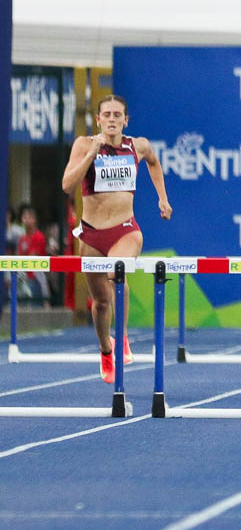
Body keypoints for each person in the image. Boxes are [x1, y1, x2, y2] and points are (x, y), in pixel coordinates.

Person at [60, 94, 173, 382]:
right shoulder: (84, 144)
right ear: (98, 120)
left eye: (117, 115)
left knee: (117, 275)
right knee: (100, 302)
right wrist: (91, 154)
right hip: (91, 235)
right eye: (107, 115)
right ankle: (105, 349)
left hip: (125, 230)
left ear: (126, 120)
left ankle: (121, 338)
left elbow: (154, 162)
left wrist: (162, 198)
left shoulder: (138, 145)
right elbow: (67, 185)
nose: (112, 119)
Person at [14, 204, 48, 302]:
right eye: (23, 217)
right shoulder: (22, 238)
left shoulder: (39, 236)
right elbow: (19, 257)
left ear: (34, 220)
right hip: (23, 278)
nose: (24, 220)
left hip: (36, 278)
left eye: (27, 217)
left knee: (34, 304)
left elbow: (32, 257)